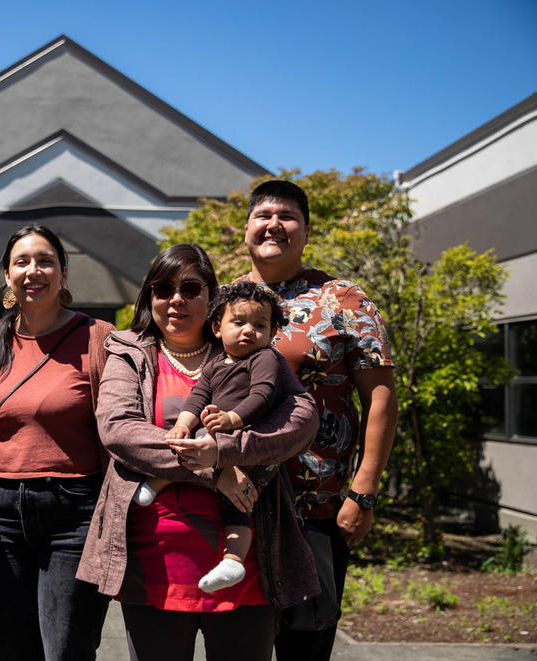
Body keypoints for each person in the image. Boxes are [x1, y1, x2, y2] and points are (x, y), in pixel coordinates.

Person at [76, 243, 321, 661]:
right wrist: (214, 471)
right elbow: (118, 431)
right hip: (157, 561)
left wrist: (224, 450)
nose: (176, 299)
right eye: (163, 289)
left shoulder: (248, 350)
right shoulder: (130, 351)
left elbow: (302, 421)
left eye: (191, 288)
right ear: (148, 297)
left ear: (211, 299)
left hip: (243, 563)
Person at [236, 180, 398, 661]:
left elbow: (382, 399)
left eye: (287, 216)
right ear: (245, 228)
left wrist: (363, 491)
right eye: (263, 214)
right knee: (235, 646)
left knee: (305, 644)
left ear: (306, 231)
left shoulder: (344, 300)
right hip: (231, 504)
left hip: (315, 509)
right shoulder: (221, 300)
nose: (273, 224)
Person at [0, 225, 113, 661]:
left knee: (66, 649)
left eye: (45, 261)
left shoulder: (99, 338)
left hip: (75, 513)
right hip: (0, 515)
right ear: (7, 276)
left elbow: (118, 430)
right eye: (22, 262)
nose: (34, 271)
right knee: (12, 650)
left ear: (64, 273)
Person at [132, 280, 290, 594]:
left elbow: (263, 394)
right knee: (197, 446)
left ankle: (233, 559)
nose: (249, 331)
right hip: (216, 437)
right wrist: (184, 425)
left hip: (250, 443)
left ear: (272, 334)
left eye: (260, 325)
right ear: (217, 327)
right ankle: (160, 480)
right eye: (239, 322)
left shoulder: (265, 359)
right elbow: (197, 397)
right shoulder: (217, 363)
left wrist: (232, 419)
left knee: (239, 502)